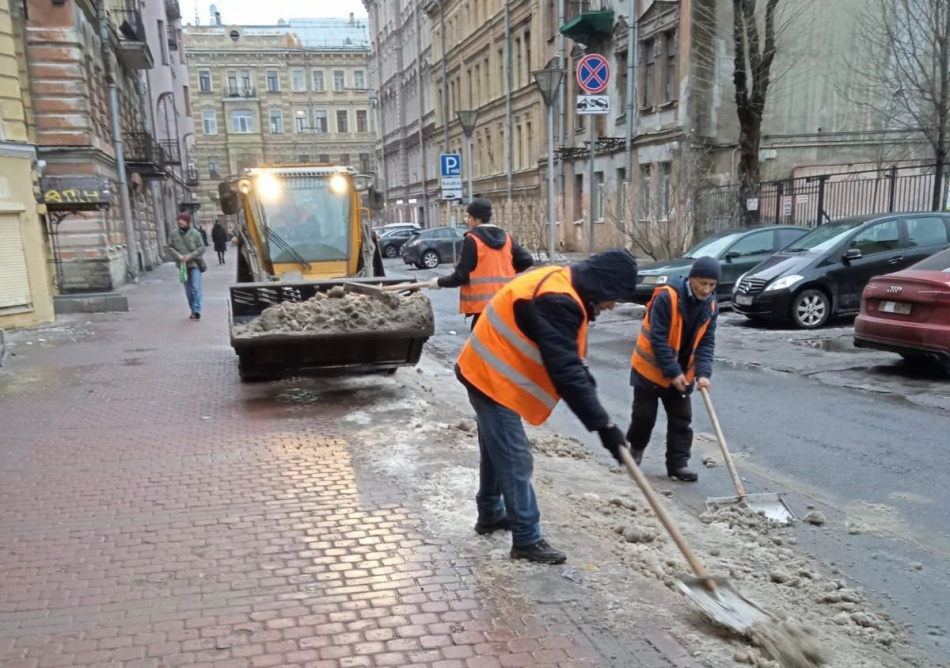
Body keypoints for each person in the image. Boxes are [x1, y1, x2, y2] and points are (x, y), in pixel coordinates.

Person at [456, 249, 639, 564]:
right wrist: (604, 427)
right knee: (515, 457)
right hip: (490, 375)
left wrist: (604, 424)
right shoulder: (559, 301)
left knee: (495, 448)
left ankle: (489, 514)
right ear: (603, 286)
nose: (611, 307)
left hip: (484, 368)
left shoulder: (563, 284)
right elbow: (566, 372)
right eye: (614, 298)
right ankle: (526, 539)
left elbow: (574, 367)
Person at [627, 256, 720, 482]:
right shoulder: (667, 297)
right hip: (650, 370)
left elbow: (706, 343)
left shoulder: (711, 306)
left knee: (681, 419)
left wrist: (704, 374)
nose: (707, 289)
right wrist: (673, 372)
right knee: (644, 417)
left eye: (712, 285)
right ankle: (635, 452)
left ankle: (678, 465)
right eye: (703, 283)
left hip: (681, 374)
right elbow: (658, 339)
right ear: (692, 279)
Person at [427, 198, 534, 329]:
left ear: (477, 219)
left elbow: (461, 276)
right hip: (503, 303)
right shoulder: (506, 238)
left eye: (469, 217)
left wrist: (438, 282)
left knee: (479, 347)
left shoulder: (472, 240)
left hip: (483, 310)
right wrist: (509, 271)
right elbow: (527, 260)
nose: (468, 220)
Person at [167, 213, 206, 320]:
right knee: (188, 290)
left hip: (194, 264)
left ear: (187, 221)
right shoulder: (173, 234)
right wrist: (178, 256)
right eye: (179, 220)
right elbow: (170, 247)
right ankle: (193, 310)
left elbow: (201, 247)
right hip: (182, 266)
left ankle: (197, 310)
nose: (180, 222)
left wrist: (189, 256)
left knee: (196, 287)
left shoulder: (195, 233)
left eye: (183, 220)